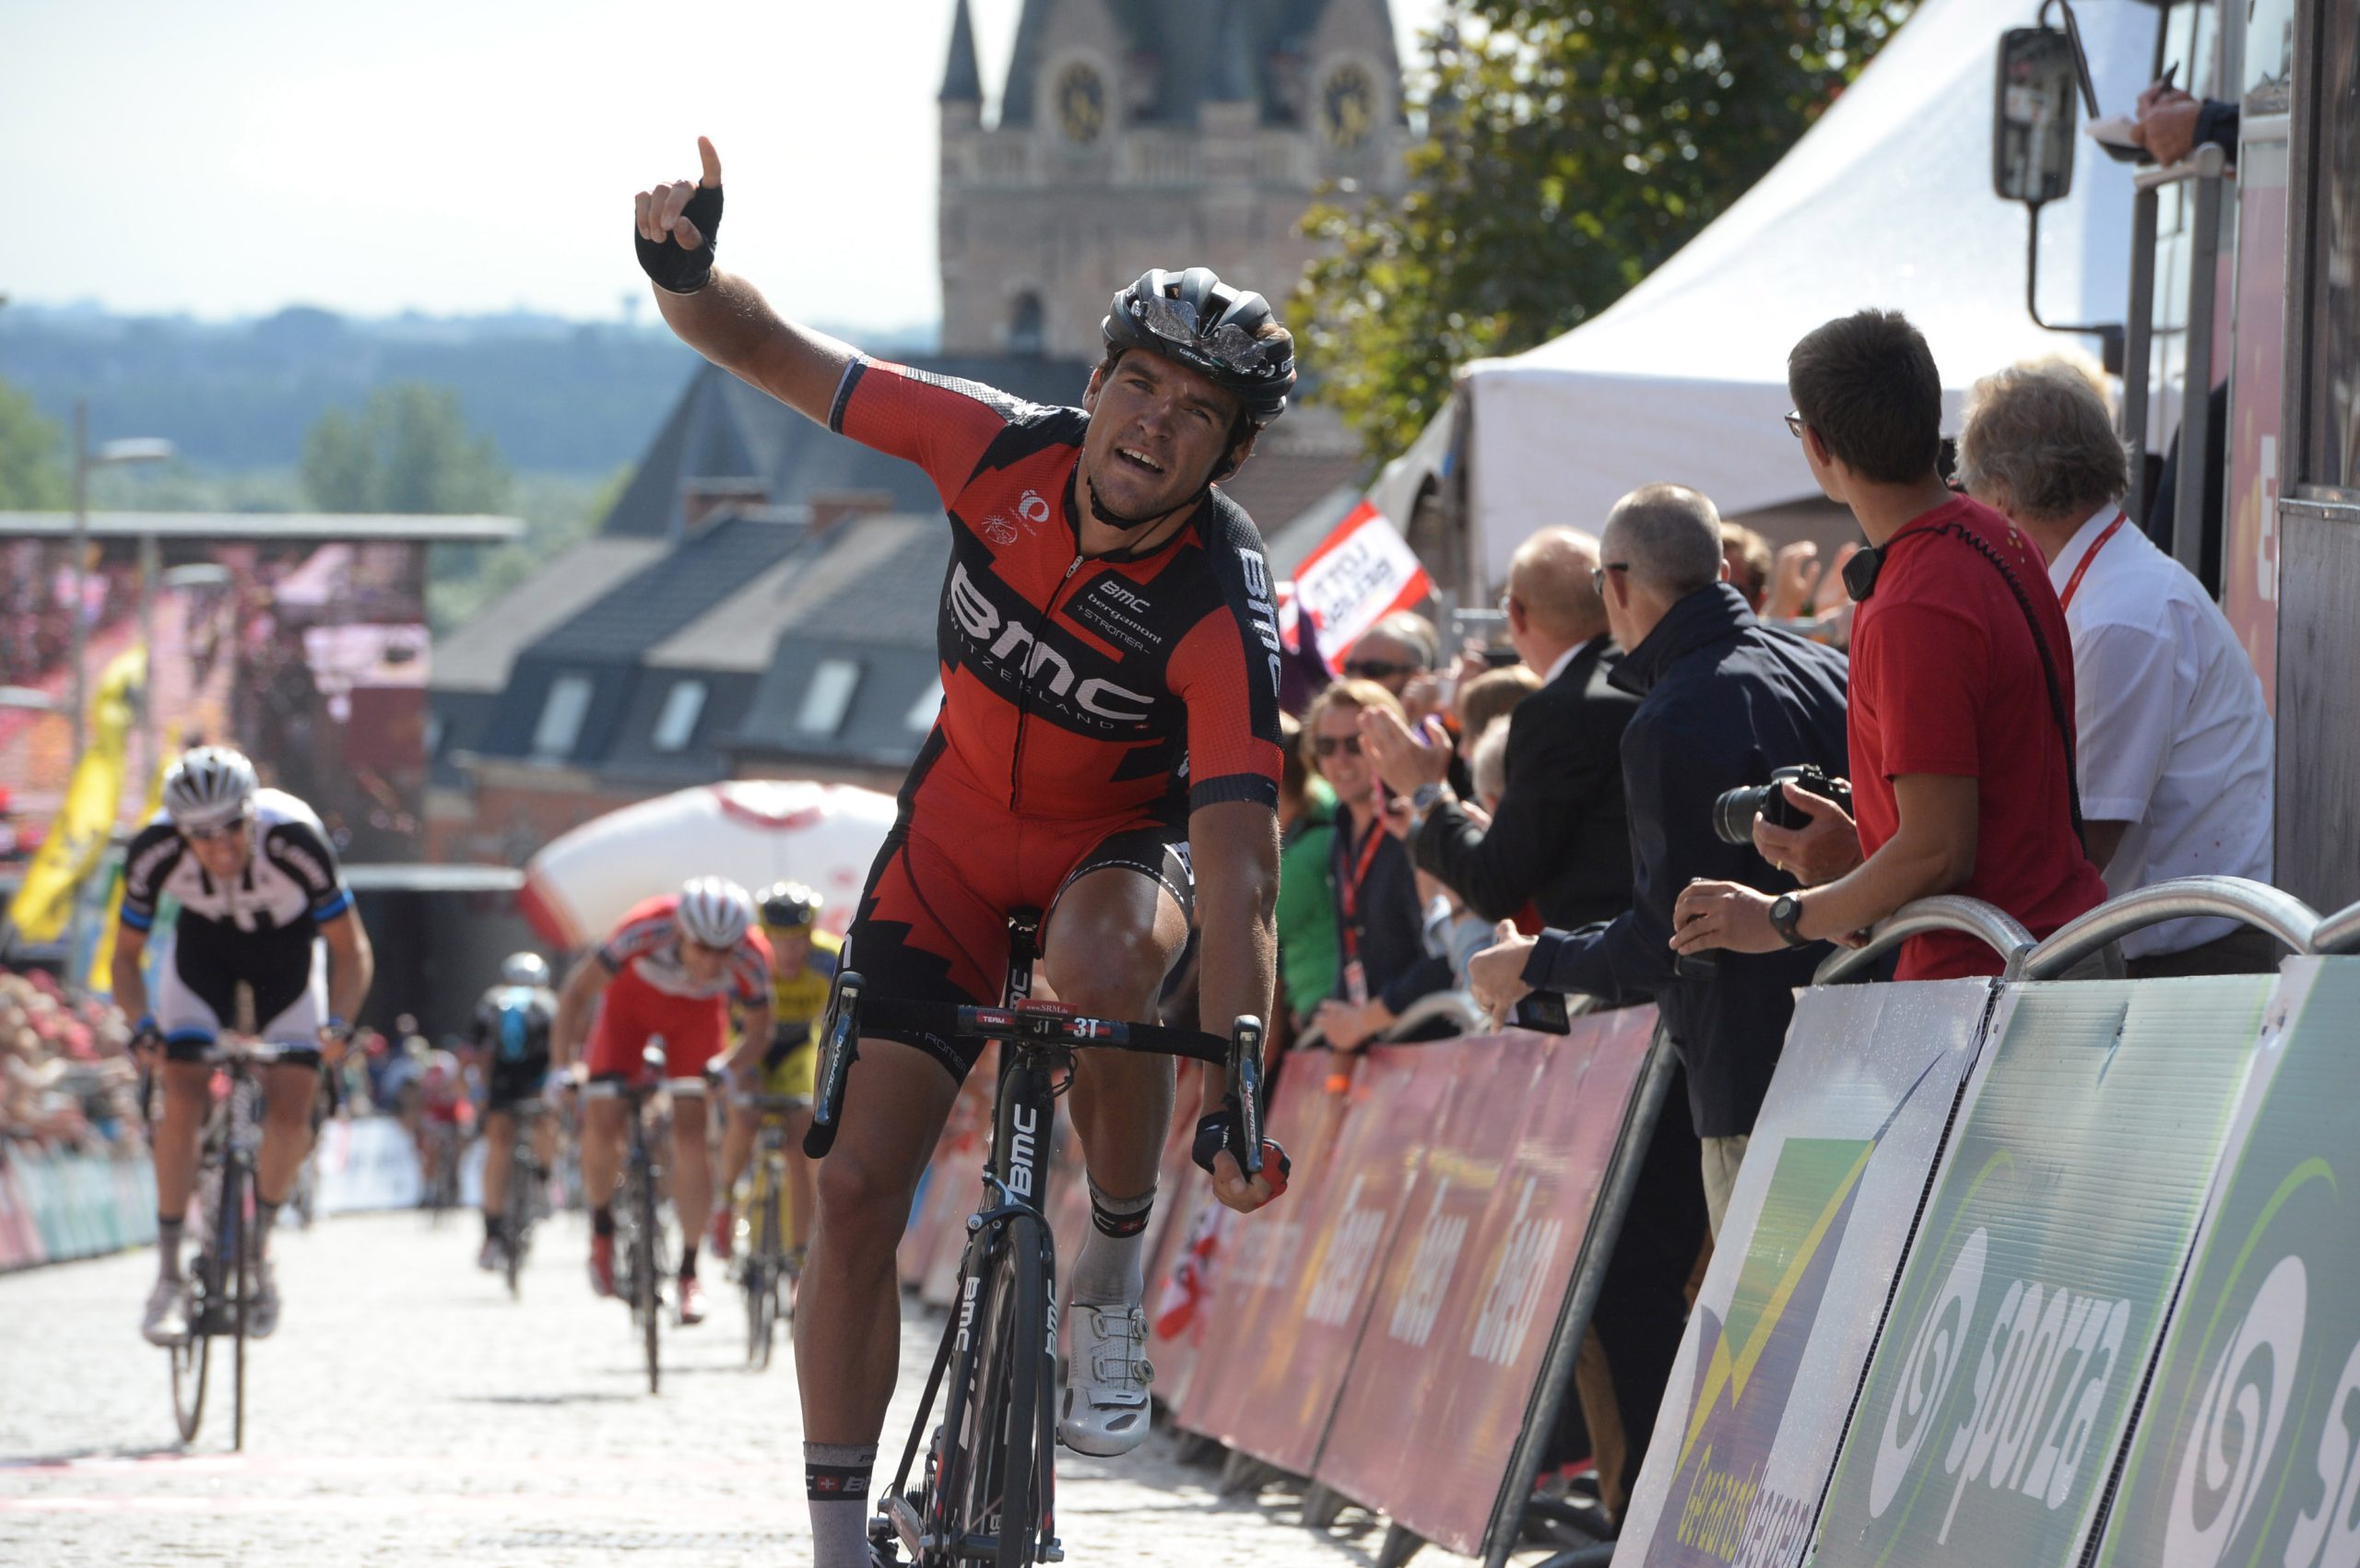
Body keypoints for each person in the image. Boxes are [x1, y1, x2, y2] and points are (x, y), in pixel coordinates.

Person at [632, 139, 1288, 1562]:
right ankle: (835, 1542)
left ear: (1231, 453)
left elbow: (1241, 865)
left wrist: (1241, 1068)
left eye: (1197, 413)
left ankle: (1108, 1270)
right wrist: (684, 272)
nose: (1153, 424)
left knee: (1105, 957)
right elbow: (765, 348)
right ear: (1095, 381)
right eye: (1137, 384)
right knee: (856, 1190)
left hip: (1116, 858)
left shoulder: (1221, 608)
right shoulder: (994, 444)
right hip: (948, 849)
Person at [1670, 310, 2108, 977]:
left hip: (1988, 984)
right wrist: (1865, 861)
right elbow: (1979, 821)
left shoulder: (1915, 600)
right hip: (2039, 956)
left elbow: (1938, 852)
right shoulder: (1994, 533)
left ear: (1817, 446)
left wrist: (1780, 918)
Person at [1467, 484, 1850, 1234]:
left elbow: (1669, 940)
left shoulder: (1670, 715)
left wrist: (1534, 963)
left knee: (1772, 1345)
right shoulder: (1822, 667)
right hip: (1874, 1054)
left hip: (1758, 1082)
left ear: (1613, 585)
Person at [1956, 361, 2275, 976]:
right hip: (2179, 947)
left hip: (2192, 961)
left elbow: (2077, 847)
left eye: (1964, 486)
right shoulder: (2114, 586)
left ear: (2000, 494)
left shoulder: (2119, 612)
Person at [117, 745, 374, 1346]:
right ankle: (167, 1276)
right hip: (200, 955)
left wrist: (337, 1024)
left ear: (252, 811)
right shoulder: (153, 850)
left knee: (293, 1101)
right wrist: (141, 1025)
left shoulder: (295, 839)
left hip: (287, 956)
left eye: (232, 825)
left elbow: (350, 949)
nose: (220, 844)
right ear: (179, 831)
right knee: (180, 1091)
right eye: (200, 834)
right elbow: (126, 959)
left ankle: (257, 1249)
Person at [1362, 528, 1638, 933]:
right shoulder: (1647, 674)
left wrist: (1427, 792)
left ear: (1517, 616)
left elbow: (1495, 886)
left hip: (1611, 974)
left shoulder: (1555, 714)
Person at [551, 876, 774, 1327]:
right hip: (628, 1008)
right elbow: (576, 993)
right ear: (679, 933)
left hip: (695, 1019)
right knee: (603, 1116)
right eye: (702, 949)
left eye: (722, 952)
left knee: (692, 1132)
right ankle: (601, 1230)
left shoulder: (751, 954)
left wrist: (727, 1066)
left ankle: (689, 1273)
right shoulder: (644, 929)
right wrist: (564, 1066)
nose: (712, 962)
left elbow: (758, 1032)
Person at [1305, 680, 1454, 1051]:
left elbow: (1444, 956)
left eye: (1355, 744)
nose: (1340, 760)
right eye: (1326, 746)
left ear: (1387, 745)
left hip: (1434, 1042)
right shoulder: (1340, 830)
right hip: (1378, 1052)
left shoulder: (1415, 822)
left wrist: (1364, 1019)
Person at [713, 882, 839, 1271]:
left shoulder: (829, 959)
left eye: (798, 940)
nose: (789, 952)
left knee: (800, 1145)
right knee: (745, 1117)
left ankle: (798, 1256)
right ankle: (725, 1200)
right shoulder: (745, 957)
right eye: (778, 941)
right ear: (763, 936)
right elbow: (720, 1015)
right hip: (751, 1047)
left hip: (798, 1047)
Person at [470, 951, 559, 1271]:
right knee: (546, 1124)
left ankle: (492, 1235)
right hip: (539, 1078)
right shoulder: (550, 1003)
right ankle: (543, 1182)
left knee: (497, 1149)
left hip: (502, 1081)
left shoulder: (492, 1001)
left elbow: (477, 1052)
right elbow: (562, 1050)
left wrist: (479, 1094)